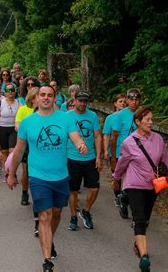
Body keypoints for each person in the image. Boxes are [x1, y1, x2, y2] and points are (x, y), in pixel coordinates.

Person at [7, 85, 88, 272]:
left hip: (60, 176)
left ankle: (49, 239)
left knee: (57, 213)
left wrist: (81, 144)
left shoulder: (65, 118)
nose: (46, 98)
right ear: (35, 99)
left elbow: (75, 137)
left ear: (54, 98)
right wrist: (12, 174)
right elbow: (18, 151)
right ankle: (47, 261)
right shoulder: (27, 122)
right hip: (38, 176)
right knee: (44, 215)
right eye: (42, 95)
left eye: (49, 95)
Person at [112, 106, 168, 272]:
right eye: (147, 120)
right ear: (138, 122)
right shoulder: (128, 143)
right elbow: (122, 163)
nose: (151, 122)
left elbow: (166, 161)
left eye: (151, 119)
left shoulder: (158, 139)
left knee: (145, 218)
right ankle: (144, 257)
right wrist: (116, 178)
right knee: (139, 218)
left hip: (152, 185)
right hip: (134, 185)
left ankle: (138, 243)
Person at [66, 92, 102, 231]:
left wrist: (98, 156)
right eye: (80, 101)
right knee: (73, 190)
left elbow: (97, 136)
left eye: (85, 101)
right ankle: (73, 216)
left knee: (94, 188)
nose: (82, 103)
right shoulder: (67, 116)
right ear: (74, 101)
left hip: (90, 158)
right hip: (72, 158)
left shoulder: (92, 116)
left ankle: (86, 211)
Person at [110, 88, 142, 219]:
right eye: (131, 99)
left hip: (137, 154)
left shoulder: (142, 113)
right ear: (127, 100)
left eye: (137, 99)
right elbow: (114, 137)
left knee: (132, 180)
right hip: (121, 152)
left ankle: (125, 198)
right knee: (117, 178)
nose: (134, 102)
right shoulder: (120, 115)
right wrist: (113, 157)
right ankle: (119, 196)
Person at [15, 87, 40, 233]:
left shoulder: (50, 111)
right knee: (26, 171)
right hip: (27, 144)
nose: (41, 99)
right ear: (31, 99)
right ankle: (25, 191)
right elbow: (18, 125)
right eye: (38, 96)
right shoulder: (24, 110)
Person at [102, 94, 127, 206]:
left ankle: (126, 196)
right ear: (115, 103)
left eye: (124, 102)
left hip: (129, 152)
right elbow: (107, 134)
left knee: (128, 176)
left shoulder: (131, 117)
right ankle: (117, 195)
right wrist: (106, 150)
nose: (123, 103)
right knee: (116, 175)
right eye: (120, 101)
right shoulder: (110, 118)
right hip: (116, 151)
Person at [0, 83, 21, 181]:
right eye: (8, 90)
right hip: (2, 129)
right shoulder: (0, 103)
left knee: (12, 152)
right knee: (4, 152)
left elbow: (21, 117)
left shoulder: (19, 103)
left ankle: (13, 172)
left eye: (12, 90)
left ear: (15, 91)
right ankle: (7, 173)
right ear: (5, 92)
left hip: (14, 129)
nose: (10, 92)